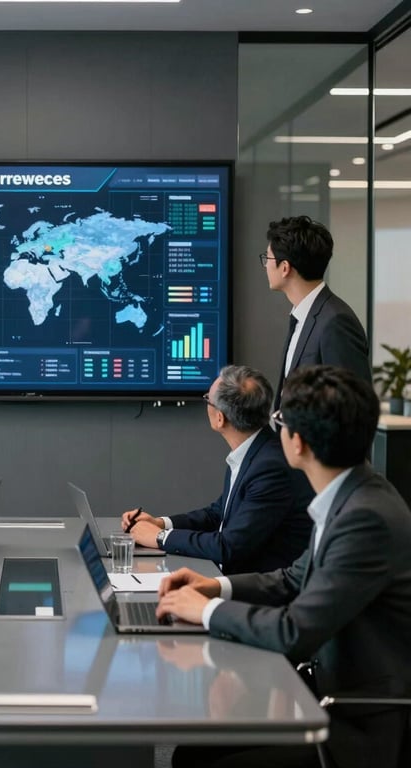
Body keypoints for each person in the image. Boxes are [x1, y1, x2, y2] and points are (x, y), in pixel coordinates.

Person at [157, 365, 411, 768]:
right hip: (322, 697)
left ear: (299, 442)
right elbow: (293, 579)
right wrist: (215, 587)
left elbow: (294, 631)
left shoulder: (366, 518)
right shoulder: (353, 496)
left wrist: (204, 611)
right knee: (193, 753)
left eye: (281, 422)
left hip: (356, 727)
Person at [121, 365, 313, 574]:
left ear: (220, 418)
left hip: (258, 591)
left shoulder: (270, 467)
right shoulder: (255, 449)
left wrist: (159, 537)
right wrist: (160, 523)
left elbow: (229, 546)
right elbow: (219, 513)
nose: (206, 404)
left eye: (207, 399)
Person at [261, 215, 371, 409]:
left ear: (285, 267)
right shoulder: (302, 315)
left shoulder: (336, 322)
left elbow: (354, 408)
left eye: (267, 258)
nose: (266, 265)